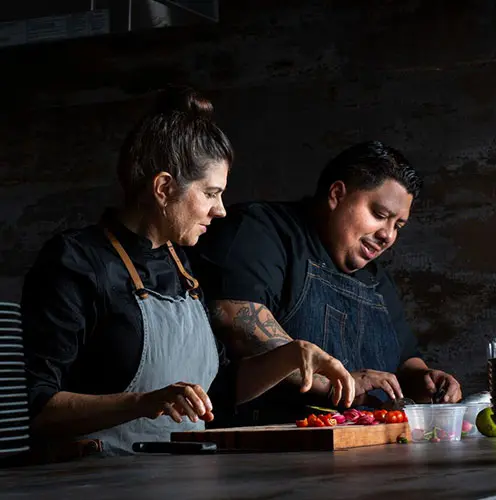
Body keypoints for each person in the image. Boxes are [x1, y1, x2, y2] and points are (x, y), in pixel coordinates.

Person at [21, 87, 355, 456]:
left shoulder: (183, 267)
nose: (221, 210)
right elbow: (37, 410)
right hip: (97, 482)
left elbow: (218, 393)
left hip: (184, 479)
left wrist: (292, 354)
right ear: (163, 188)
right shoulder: (76, 262)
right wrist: (143, 403)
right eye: (211, 193)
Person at [190, 140, 462, 425]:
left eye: (398, 225)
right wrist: (339, 384)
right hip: (269, 450)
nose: (388, 236)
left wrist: (426, 379)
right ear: (337, 195)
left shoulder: (376, 280)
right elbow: (236, 324)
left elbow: (406, 360)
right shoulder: (260, 231)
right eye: (380, 216)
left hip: (368, 454)